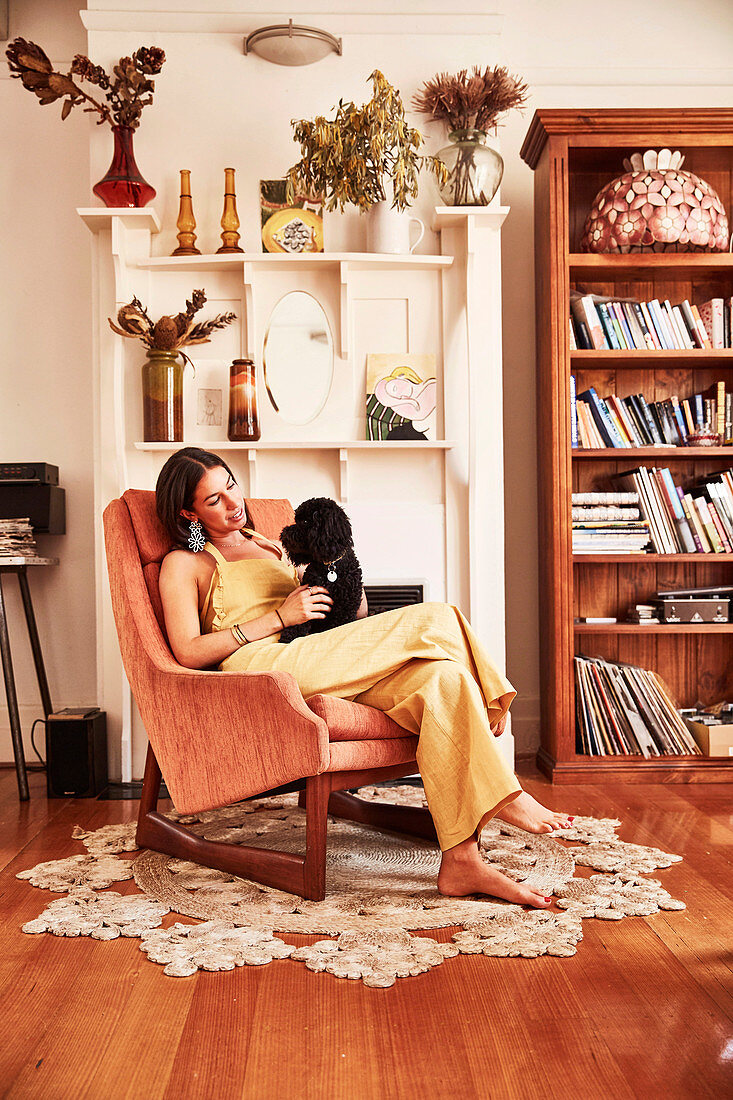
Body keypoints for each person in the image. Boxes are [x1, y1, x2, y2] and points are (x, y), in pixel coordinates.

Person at [156, 447, 574, 909]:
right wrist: (276, 616)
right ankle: (501, 757)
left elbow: (351, 615)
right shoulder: (185, 562)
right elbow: (187, 652)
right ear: (187, 511)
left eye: (231, 485)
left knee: (445, 679)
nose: (233, 503)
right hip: (260, 671)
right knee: (436, 617)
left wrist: (339, 579)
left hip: (314, 653)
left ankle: (462, 861)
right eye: (213, 500)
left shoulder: (273, 543)